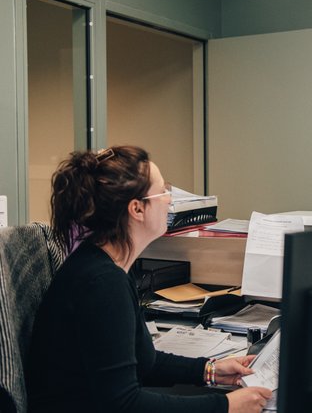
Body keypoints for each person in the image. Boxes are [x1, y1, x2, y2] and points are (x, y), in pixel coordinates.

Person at [27, 146, 272, 413]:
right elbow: (125, 404)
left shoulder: (109, 265)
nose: (169, 199)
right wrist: (224, 405)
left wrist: (210, 370)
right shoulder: (101, 282)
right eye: (163, 190)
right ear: (137, 209)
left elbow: (144, 361)